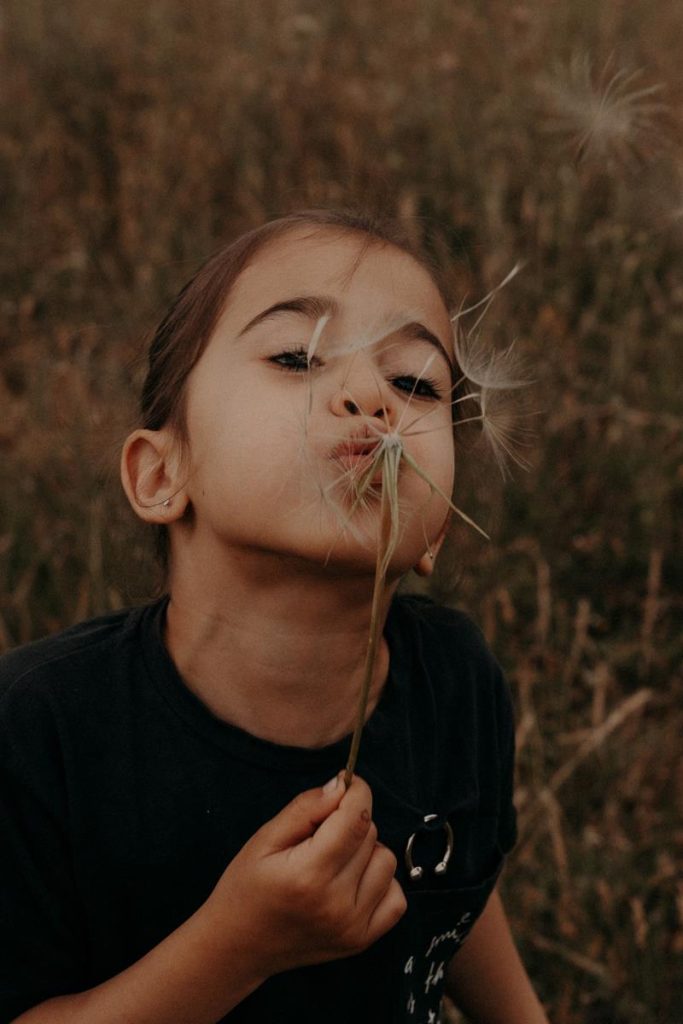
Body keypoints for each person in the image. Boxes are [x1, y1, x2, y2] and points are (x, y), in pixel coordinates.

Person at [0, 210, 549, 1023]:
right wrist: (238, 946)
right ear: (161, 474)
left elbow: (456, 884)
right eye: (296, 356)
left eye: (414, 382)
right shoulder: (38, 730)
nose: (371, 398)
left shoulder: (455, 678)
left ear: (436, 533)